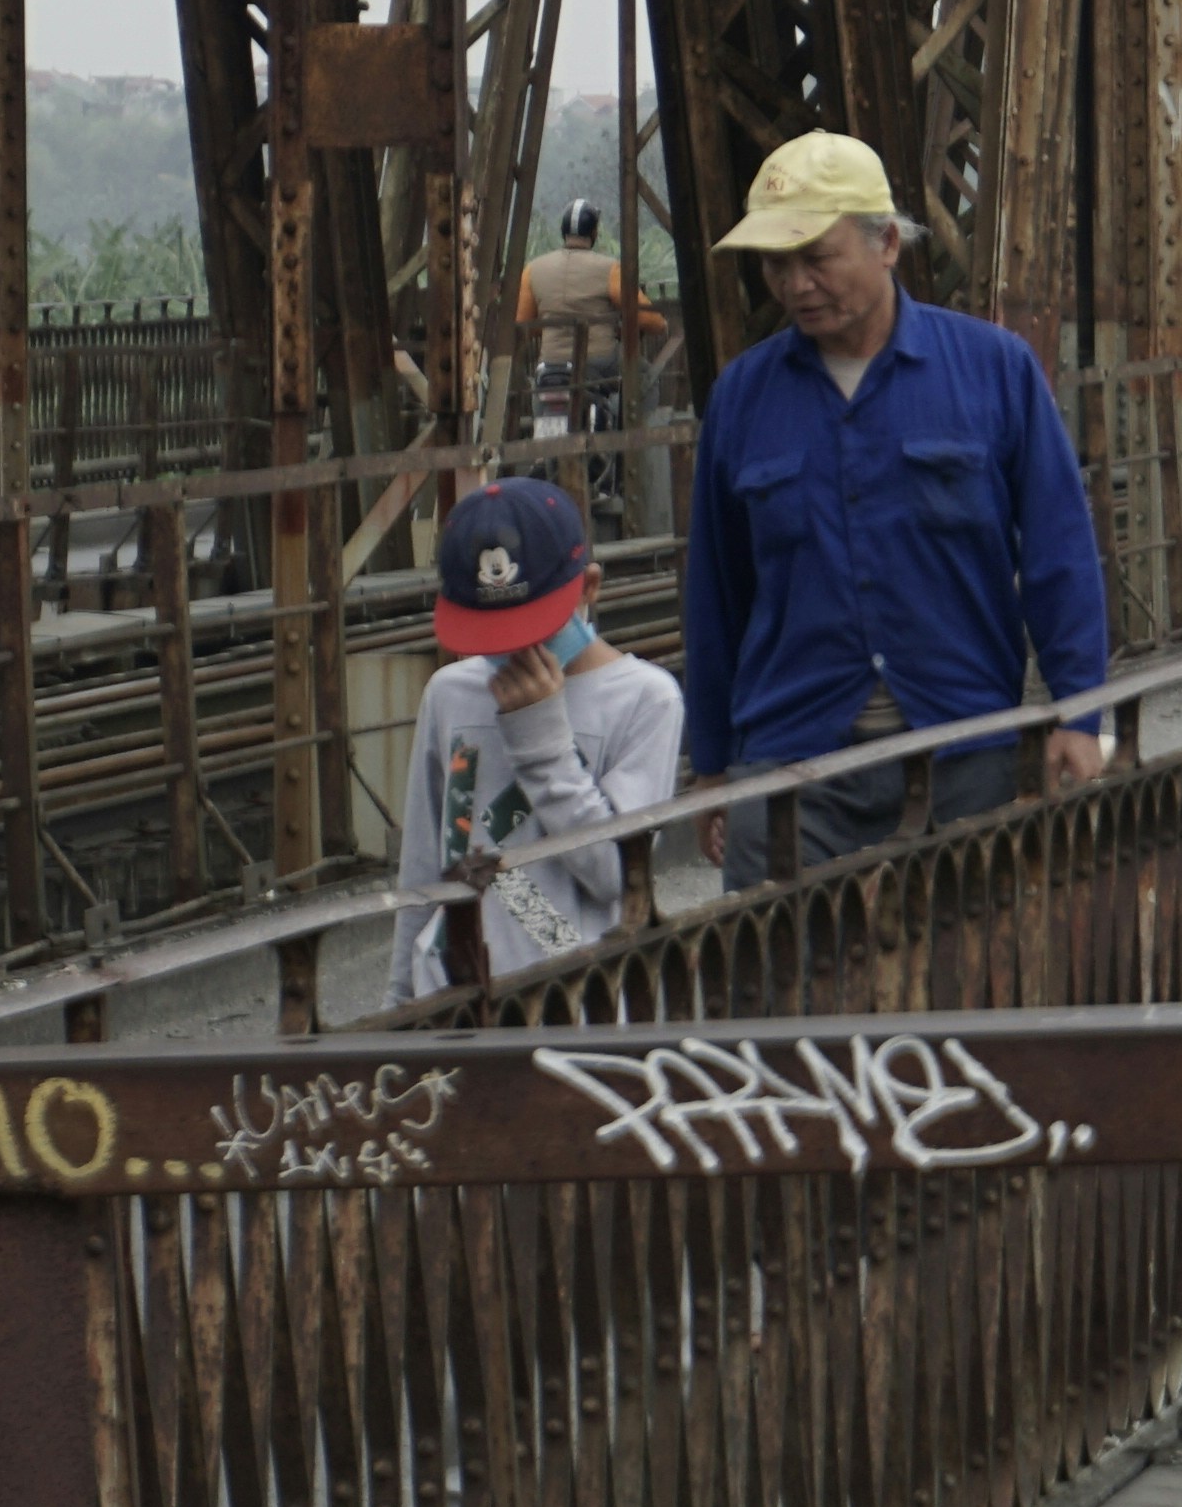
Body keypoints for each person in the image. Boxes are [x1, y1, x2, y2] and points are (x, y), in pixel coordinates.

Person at [680, 133, 1115, 883]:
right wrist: (712, 767)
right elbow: (716, 595)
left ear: (886, 244)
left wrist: (1079, 718)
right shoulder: (744, 398)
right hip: (790, 766)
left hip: (965, 747)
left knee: (971, 979)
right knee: (777, 988)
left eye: (816, 257)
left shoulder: (992, 371)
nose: (795, 284)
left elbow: (1058, 554)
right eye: (776, 264)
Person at [389, 476, 678, 1004]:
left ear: (589, 587)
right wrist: (399, 1004)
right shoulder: (450, 693)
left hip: (577, 1000)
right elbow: (423, 868)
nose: (512, 649)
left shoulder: (645, 699)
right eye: (491, 632)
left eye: (530, 627)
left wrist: (541, 738)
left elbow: (615, 875)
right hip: (452, 996)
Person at [512, 198, 664, 430]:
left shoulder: (533, 270)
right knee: (647, 379)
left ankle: (542, 452)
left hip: (552, 362)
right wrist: (660, 325)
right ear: (593, 232)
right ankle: (630, 438)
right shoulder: (609, 268)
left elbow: (524, 325)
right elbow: (648, 319)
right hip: (599, 361)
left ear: (564, 231)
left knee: (540, 390)